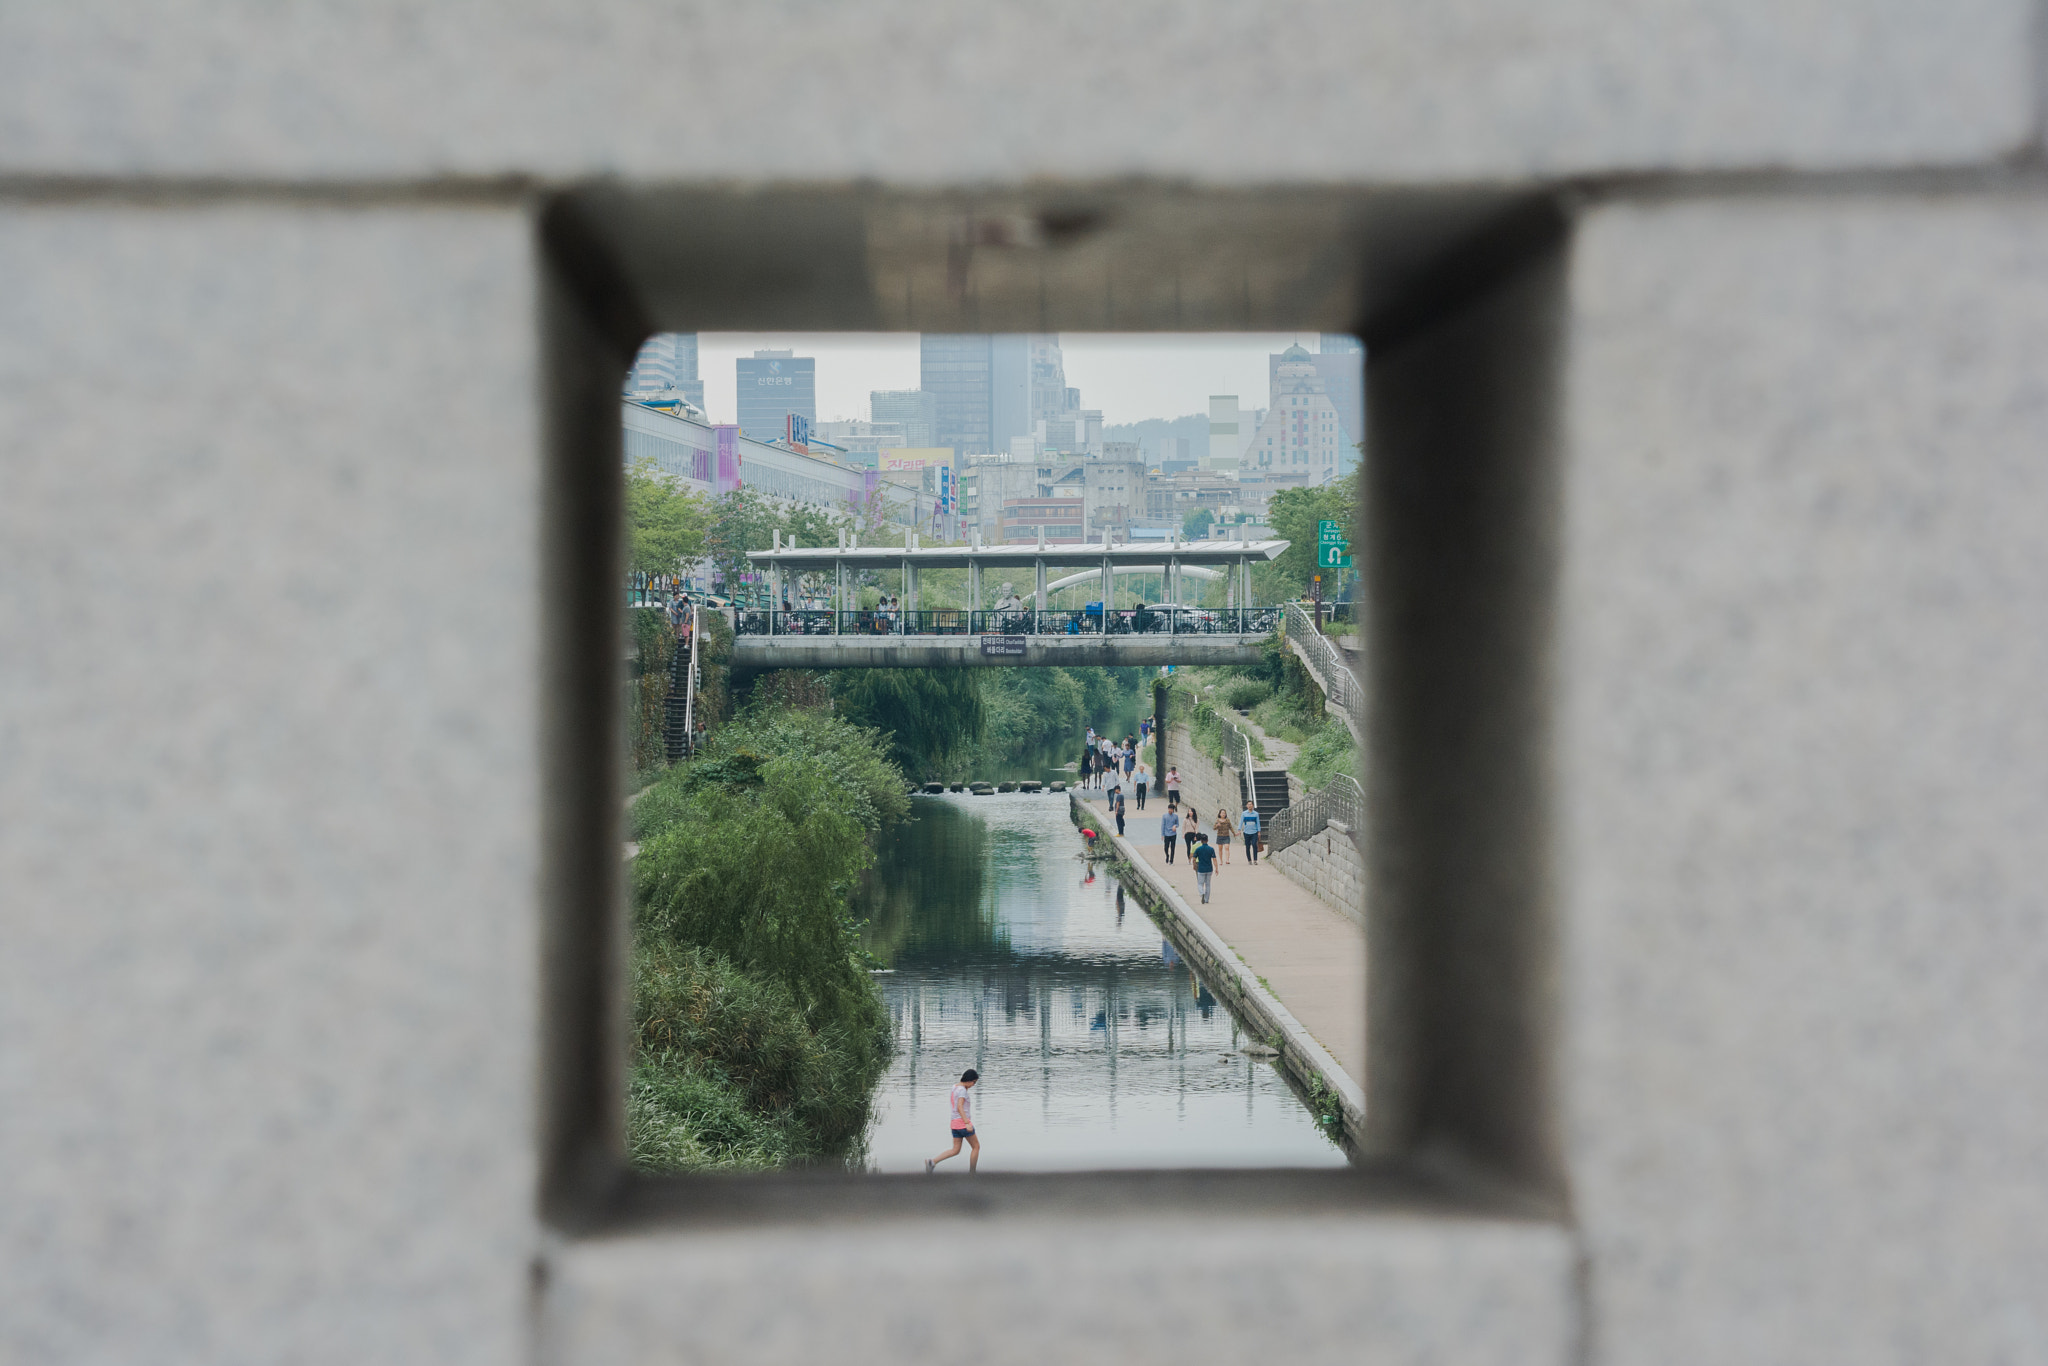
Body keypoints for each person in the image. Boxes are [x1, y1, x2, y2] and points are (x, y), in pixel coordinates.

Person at [926, 1069, 980, 1173]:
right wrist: (967, 1123)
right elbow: (960, 1107)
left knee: (955, 1150)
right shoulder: (963, 1091)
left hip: (954, 1124)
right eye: (974, 1082)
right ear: (969, 1080)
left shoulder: (954, 1087)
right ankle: (972, 1173)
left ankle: (932, 1162)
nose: (974, 1085)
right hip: (963, 1124)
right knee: (976, 1147)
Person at [1191, 833, 1217, 903]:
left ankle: (1201, 893)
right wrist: (1216, 868)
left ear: (1201, 841)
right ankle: (1206, 899)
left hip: (1201, 868)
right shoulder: (1211, 849)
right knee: (1208, 884)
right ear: (1207, 840)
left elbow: (1194, 858)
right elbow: (1214, 859)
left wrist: (1194, 865)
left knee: (1200, 883)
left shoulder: (1198, 849)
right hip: (1209, 868)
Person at [1240, 797, 1261, 863]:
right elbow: (1241, 822)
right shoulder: (1244, 813)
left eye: (1251, 804)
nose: (1250, 806)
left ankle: (1255, 859)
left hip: (1254, 832)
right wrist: (1239, 829)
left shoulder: (1256, 814)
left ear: (1253, 805)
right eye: (1248, 804)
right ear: (1246, 806)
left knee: (1254, 845)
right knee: (1247, 846)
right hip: (1246, 832)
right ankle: (1249, 860)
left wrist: (1259, 831)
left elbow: (1258, 822)